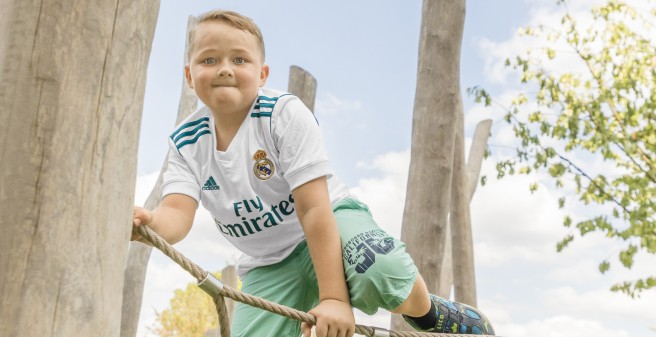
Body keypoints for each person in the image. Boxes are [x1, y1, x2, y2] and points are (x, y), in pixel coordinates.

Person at [132, 9, 495, 337]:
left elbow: (313, 208)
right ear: (189, 76)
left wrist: (335, 298)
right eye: (209, 59)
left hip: (332, 220)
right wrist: (150, 222)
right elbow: (178, 211)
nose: (225, 68)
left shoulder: (282, 114)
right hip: (268, 264)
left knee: (381, 271)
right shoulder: (186, 142)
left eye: (239, 59)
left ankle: (429, 313)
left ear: (261, 75)